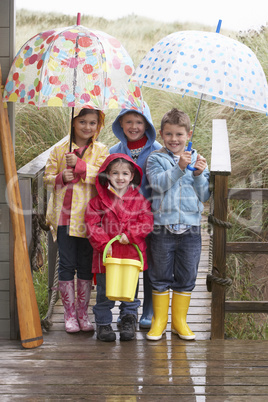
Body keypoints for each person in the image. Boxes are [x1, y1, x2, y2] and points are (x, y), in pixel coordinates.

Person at [145, 108, 211, 341]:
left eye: (179, 134)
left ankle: (179, 322)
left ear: (188, 134)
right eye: (169, 134)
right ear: (162, 134)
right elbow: (158, 185)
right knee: (160, 275)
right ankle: (159, 322)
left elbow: (204, 196)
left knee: (187, 276)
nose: (174, 139)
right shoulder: (155, 158)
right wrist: (179, 167)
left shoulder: (198, 159)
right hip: (163, 228)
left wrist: (198, 174)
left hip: (191, 229)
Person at [44, 107, 109, 333]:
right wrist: (61, 176)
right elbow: (47, 179)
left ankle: (83, 314)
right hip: (64, 217)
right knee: (67, 264)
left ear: (98, 126)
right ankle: (69, 315)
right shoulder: (60, 150)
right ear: (73, 122)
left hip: (89, 218)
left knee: (84, 265)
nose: (87, 127)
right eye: (82, 122)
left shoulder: (101, 150)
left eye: (93, 123)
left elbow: (102, 176)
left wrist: (80, 166)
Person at [85, 154, 154, 342]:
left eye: (125, 173)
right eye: (115, 173)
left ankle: (128, 319)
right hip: (107, 256)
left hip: (131, 256)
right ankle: (104, 323)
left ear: (132, 176)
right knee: (104, 293)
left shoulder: (139, 200)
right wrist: (103, 244)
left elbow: (146, 222)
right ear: (107, 174)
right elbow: (92, 225)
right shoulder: (97, 201)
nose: (120, 177)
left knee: (129, 292)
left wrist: (130, 235)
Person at [110, 103, 161, 328]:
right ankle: (128, 309)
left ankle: (149, 309)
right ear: (120, 123)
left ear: (147, 125)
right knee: (128, 262)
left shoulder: (158, 150)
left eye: (139, 122)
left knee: (149, 264)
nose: (134, 126)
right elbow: (105, 184)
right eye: (128, 121)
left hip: (150, 218)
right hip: (122, 220)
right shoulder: (114, 152)